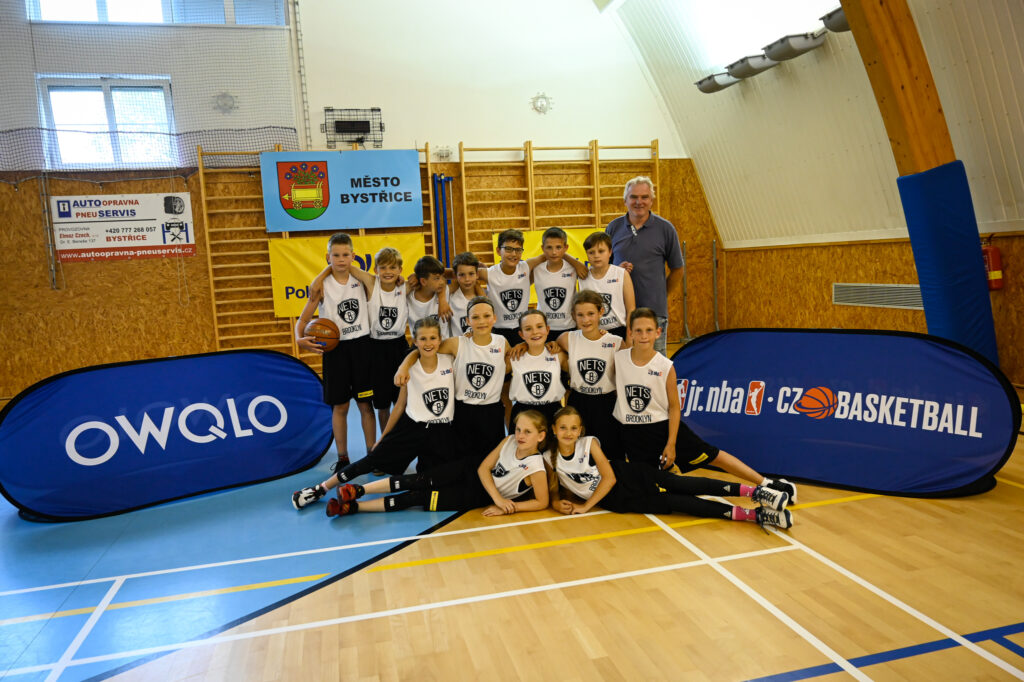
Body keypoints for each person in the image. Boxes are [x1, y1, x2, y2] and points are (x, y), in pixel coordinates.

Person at [613, 309, 799, 502]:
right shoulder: (618, 358)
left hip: (662, 428)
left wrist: (671, 443)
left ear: (658, 332)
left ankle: (767, 483)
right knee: (650, 489)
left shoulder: (665, 366)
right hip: (633, 435)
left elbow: (674, 407)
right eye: (639, 330)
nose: (644, 336)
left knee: (714, 456)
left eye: (649, 330)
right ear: (630, 332)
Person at [292, 316, 457, 509]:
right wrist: (384, 437)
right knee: (370, 460)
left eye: (433, 338)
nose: (428, 343)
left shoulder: (450, 361)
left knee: (430, 482)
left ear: (440, 339)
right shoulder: (410, 367)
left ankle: (356, 498)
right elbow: (399, 406)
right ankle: (320, 489)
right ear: (414, 341)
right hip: (411, 428)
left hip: (441, 432)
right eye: (423, 339)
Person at [548, 407, 793, 529]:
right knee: (680, 504)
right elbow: (554, 488)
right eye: (563, 428)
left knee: (682, 484)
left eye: (573, 428)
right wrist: (557, 503)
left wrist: (586, 507)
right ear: (553, 430)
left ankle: (757, 492)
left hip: (627, 477)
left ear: (581, 430)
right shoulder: (549, 458)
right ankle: (755, 515)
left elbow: (609, 478)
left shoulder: (589, 444)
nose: (568, 433)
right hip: (619, 500)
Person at [324, 410, 551, 518]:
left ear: (541, 436)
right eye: (518, 429)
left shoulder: (536, 467)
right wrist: (499, 498)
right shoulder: (509, 441)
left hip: (476, 495)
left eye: (527, 432)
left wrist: (508, 506)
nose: (520, 435)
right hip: (469, 470)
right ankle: (357, 490)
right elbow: (484, 468)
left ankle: (353, 508)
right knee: (416, 480)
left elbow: (542, 502)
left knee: (416, 498)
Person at [396, 296, 509, 465]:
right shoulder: (457, 343)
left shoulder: (502, 342)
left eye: (486, 316)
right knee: (462, 461)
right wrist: (404, 366)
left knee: (492, 460)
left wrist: (522, 346)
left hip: (491, 411)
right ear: (468, 321)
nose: (481, 321)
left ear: (494, 318)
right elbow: (424, 349)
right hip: (463, 410)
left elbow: (512, 362)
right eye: (475, 317)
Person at [295, 232, 375, 469]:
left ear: (353, 256)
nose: (341, 259)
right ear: (328, 257)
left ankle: (372, 455)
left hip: (362, 347)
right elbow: (303, 320)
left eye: (345, 255)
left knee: (365, 405)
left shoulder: (361, 280)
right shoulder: (321, 287)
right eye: (336, 255)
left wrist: (324, 271)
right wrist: (299, 339)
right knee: (340, 406)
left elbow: (375, 279)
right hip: (335, 351)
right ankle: (342, 457)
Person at [316, 246, 409, 433]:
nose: (388, 272)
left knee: (404, 400)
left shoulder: (407, 286)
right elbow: (344, 265)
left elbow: (434, 278)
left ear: (400, 269)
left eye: (393, 267)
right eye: (383, 267)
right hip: (375, 348)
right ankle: (385, 442)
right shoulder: (372, 283)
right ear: (375, 270)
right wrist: (319, 278)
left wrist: (441, 297)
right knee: (382, 403)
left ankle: (402, 441)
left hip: (399, 347)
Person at [605, 177, 683, 355]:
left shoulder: (665, 229)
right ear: (625, 200)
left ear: (651, 200)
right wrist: (617, 270)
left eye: (644, 197)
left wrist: (661, 295)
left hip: (654, 313)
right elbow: (604, 270)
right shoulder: (613, 228)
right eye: (633, 197)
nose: (639, 202)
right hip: (619, 314)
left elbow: (678, 269)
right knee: (620, 363)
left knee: (655, 365)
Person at [557, 290, 624, 456]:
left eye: (591, 314)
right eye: (580, 315)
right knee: (577, 451)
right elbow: (546, 348)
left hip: (606, 403)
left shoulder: (615, 342)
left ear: (601, 312)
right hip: (578, 401)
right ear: (573, 315)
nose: (586, 320)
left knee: (610, 451)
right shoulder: (566, 339)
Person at [507, 309, 568, 432]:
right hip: (522, 412)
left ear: (547, 329)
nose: (535, 332)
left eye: (539, 326)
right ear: (521, 334)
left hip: (552, 411)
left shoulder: (558, 354)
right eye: (528, 329)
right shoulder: (513, 356)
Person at [526, 227, 588, 343]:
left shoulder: (573, 268)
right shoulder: (537, 269)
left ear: (566, 248)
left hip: (569, 326)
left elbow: (586, 272)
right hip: (544, 328)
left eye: (558, 247)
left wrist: (569, 258)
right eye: (549, 247)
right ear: (542, 248)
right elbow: (522, 271)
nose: (554, 252)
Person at [578, 231, 635, 340]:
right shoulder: (582, 277)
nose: (596, 256)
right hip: (593, 332)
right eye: (591, 252)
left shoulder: (621, 273)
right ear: (587, 254)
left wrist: (629, 338)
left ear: (610, 252)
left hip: (620, 331)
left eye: (601, 251)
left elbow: (631, 309)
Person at [407, 256, 450, 339]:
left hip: (444, 345)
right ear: (423, 281)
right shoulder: (407, 297)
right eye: (437, 278)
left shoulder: (445, 290)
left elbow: (458, 273)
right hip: (420, 345)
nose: (442, 282)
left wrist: (442, 300)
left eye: (443, 277)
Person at [447, 251, 486, 337]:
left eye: (471, 274)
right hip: (458, 344)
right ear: (455, 275)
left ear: (477, 274)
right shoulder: (449, 299)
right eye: (462, 275)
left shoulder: (485, 296)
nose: (467, 279)